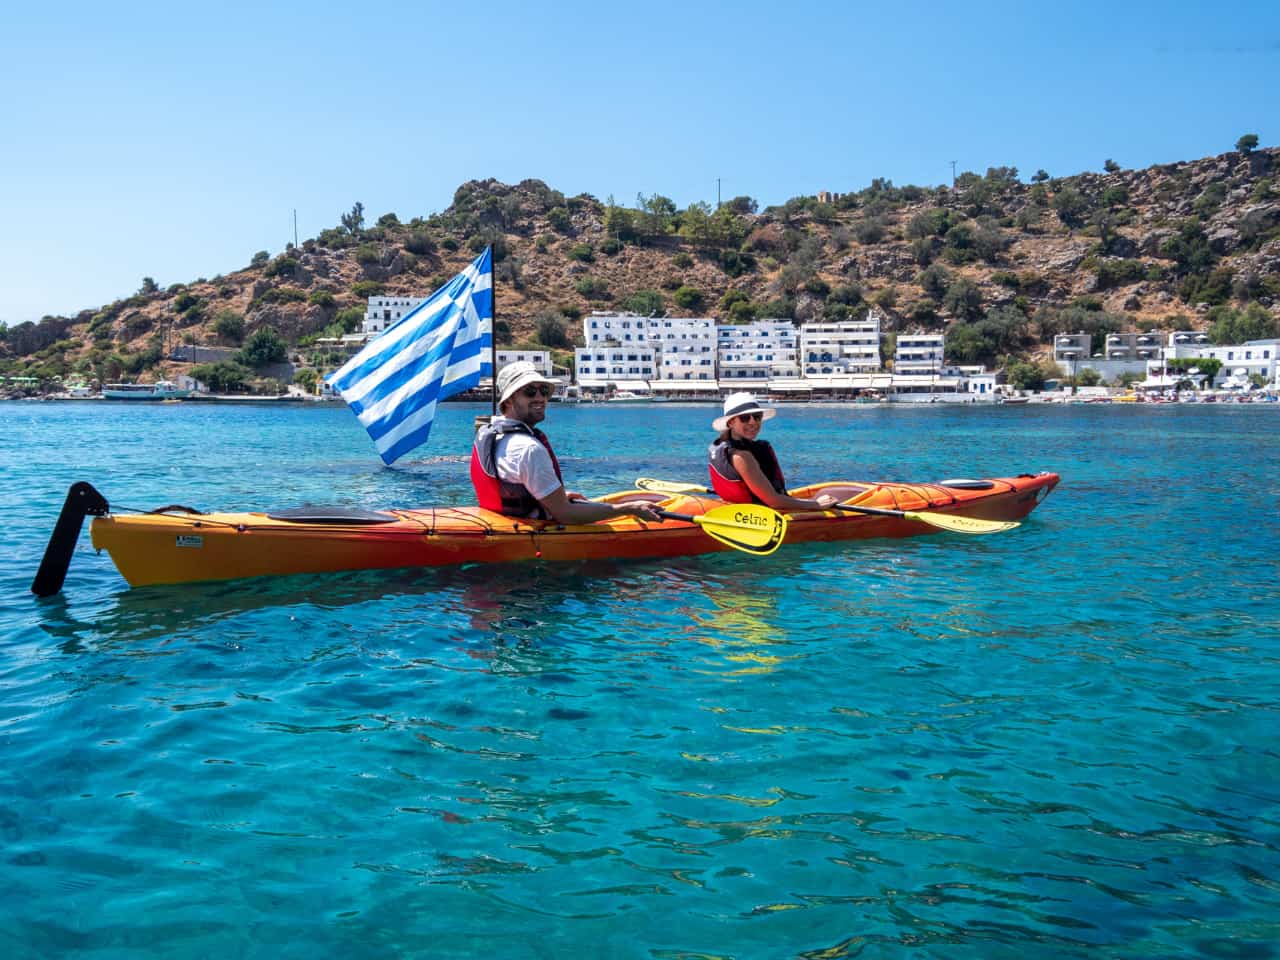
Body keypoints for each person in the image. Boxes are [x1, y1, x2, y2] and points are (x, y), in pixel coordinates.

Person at [471, 362, 664, 524]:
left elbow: (511, 484)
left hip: (502, 520)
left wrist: (554, 496)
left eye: (543, 390)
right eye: (530, 392)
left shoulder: (492, 435)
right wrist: (629, 508)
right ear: (508, 401)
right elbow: (566, 515)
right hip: (536, 530)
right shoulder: (528, 449)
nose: (540, 398)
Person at [707, 393, 838, 511]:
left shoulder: (725, 446)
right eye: (745, 418)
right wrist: (816, 504)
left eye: (757, 417)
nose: (753, 422)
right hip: (759, 513)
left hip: (738, 507)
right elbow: (773, 501)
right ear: (731, 423)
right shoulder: (741, 456)